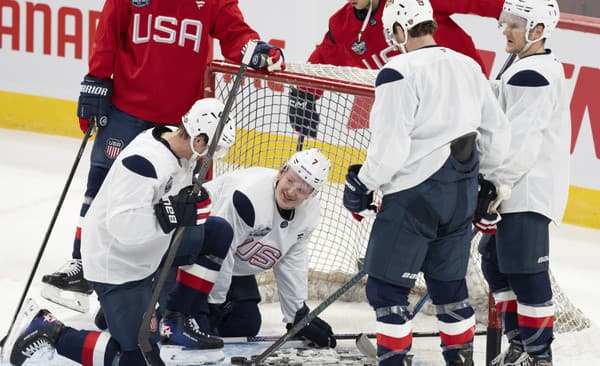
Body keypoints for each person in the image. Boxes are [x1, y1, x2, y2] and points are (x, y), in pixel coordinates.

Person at [40, 0, 285, 313]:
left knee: (174, 201)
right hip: (126, 109)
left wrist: (253, 49)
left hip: (183, 122)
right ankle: (82, 263)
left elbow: (235, 33)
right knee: (100, 185)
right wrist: (97, 79)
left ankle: (152, 281)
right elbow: (109, 32)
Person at [341, 0, 511, 364]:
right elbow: (497, 133)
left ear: (400, 30)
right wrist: (489, 187)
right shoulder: (468, 64)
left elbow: (389, 149)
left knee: (386, 290)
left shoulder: (397, 70)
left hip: (414, 197)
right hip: (462, 193)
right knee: (450, 289)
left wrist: (363, 185)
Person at [10, 98, 237, 366]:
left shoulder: (179, 147)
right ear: (199, 140)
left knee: (217, 232)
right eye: (216, 147)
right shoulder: (144, 163)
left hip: (151, 250)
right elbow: (125, 229)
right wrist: (173, 214)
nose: (216, 154)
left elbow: (173, 205)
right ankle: (51, 331)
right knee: (138, 359)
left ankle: (175, 319)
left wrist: (188, 205)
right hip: (116, 264)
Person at [476, 0, 567, 365]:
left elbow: (522, 142)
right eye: (505, 23)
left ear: (538, 31)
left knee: (526, 271)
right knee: (493, 261)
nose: (506, 30)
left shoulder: (534, 73)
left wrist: (493, 185)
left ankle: (538, 355)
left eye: (515, 25)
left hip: (525, 189)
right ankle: (519, 343)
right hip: (514, 187)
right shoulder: (522, 63)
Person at [288, 0, 503, 138]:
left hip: (464, 96)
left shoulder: (410, 3)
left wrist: (512, 8)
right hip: (415, 120)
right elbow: (325, 57)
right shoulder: (342, 26)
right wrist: (303, 94)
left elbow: (473, 1)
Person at [201, 148, 337, 348]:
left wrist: (297, 316)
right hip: (194, 259)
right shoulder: (249, 197)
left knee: (244, 324)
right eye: (290, 180)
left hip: (233, 269)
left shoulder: (308, 215)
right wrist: (215, 302)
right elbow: (222, 249)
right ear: (281, 171)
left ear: (311, 194)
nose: (291, 192)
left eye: (302, 189)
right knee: (190, 325)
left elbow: (292, 262)